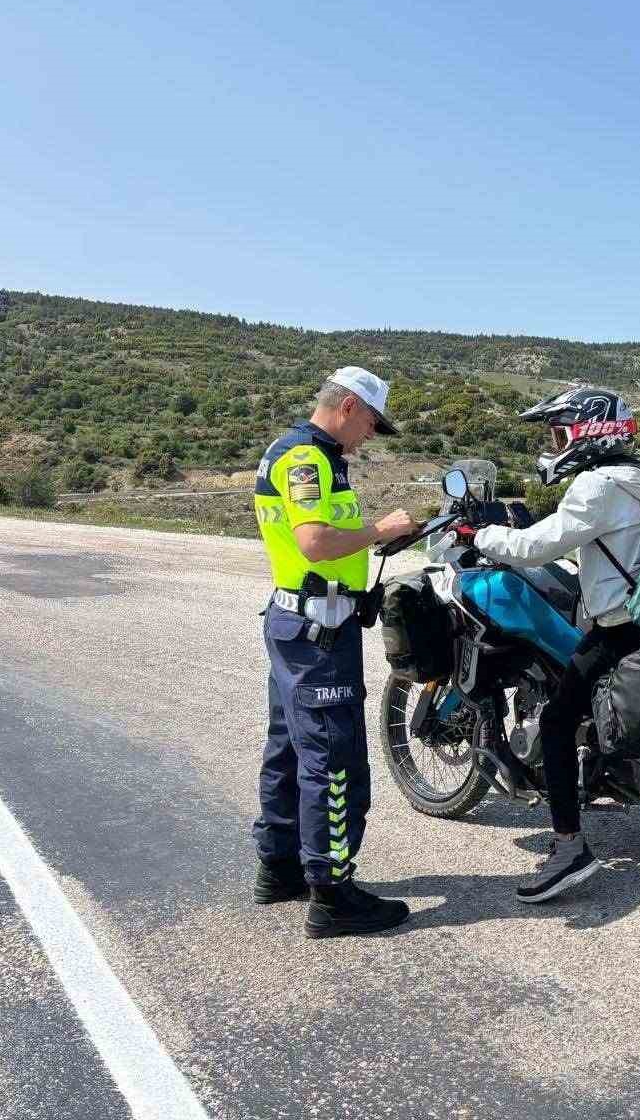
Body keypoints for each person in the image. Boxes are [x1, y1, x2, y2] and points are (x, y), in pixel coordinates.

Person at [466, 386, 640, 903]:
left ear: (588, 432)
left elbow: (536, 548)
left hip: (619, 626)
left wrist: (481, 537)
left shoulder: (596, 486)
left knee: (556, 723)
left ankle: (569, 847)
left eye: (560, 432)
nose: (555, 443)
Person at [251, 366, 417, 938]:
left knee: (290, 750)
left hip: (297, 624)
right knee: (333, 757)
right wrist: (377, 529)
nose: (371, 433)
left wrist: (381, 536)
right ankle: (332, 894)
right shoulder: (307, 459)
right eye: (371, 420)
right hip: (318, 632)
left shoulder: (301, 453)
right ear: (347, 406)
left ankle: (280, 870)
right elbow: (315, 543)